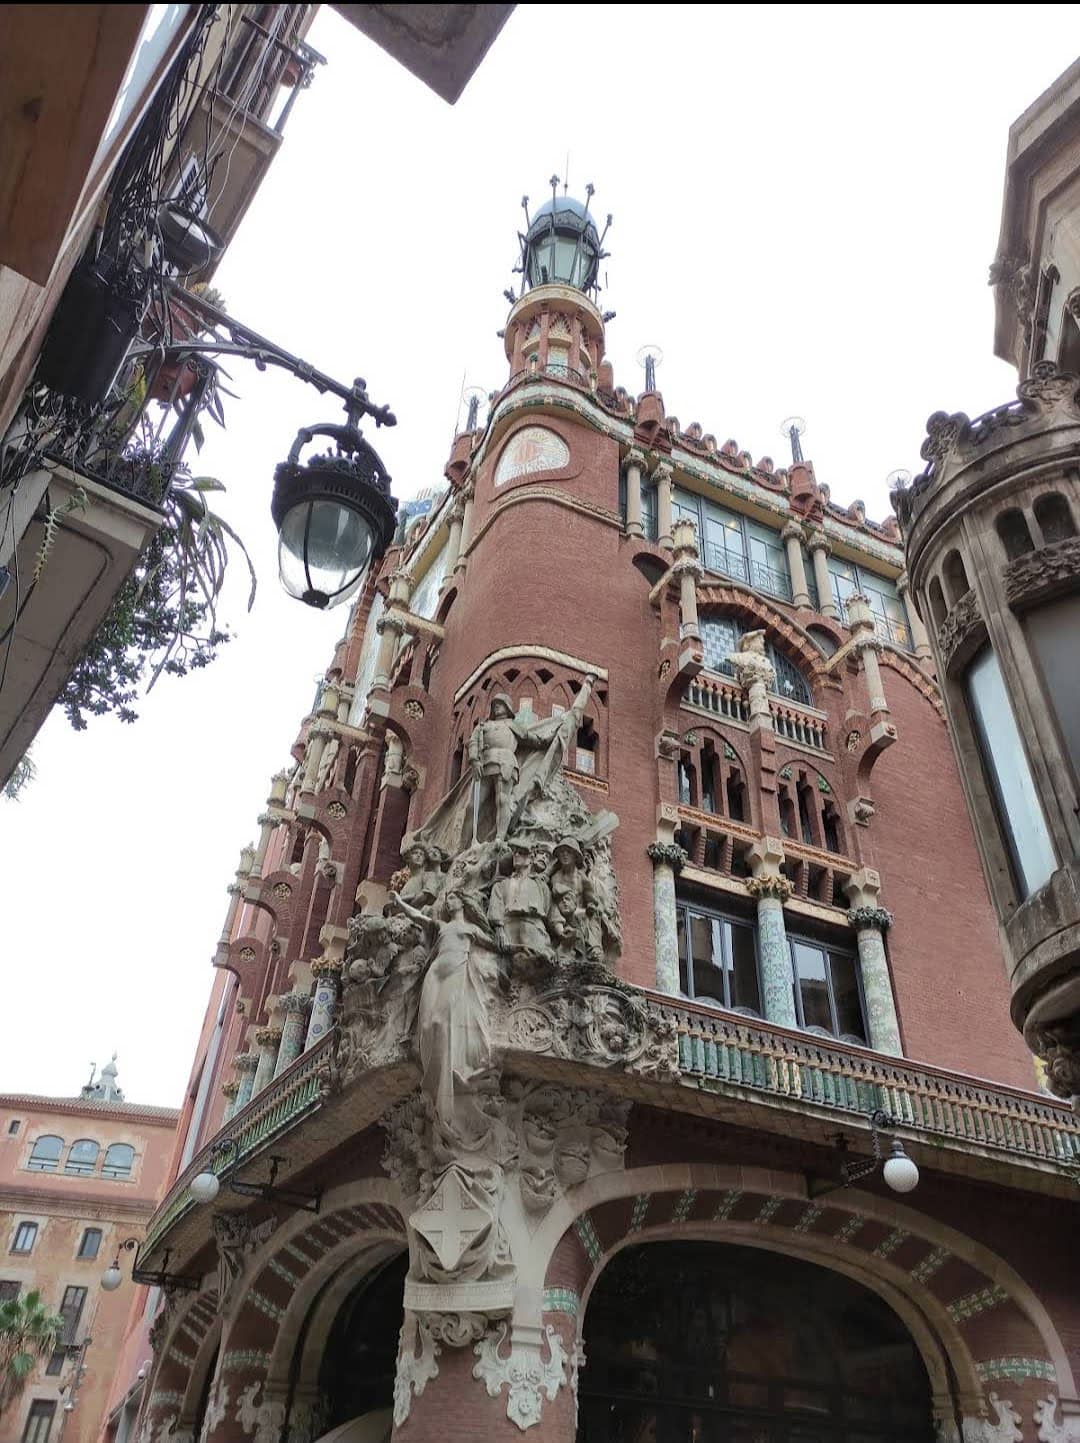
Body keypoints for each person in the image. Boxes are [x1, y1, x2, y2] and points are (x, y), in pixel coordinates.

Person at [388, 888, 498, 1140]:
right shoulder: (442, 926)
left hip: (456, 970)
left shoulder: (471, 929)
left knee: (440, 1020)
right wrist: (400, 902)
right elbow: (419, 918)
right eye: (447, 899)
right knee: (426, 1023)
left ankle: (450, 1075)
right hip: (435, 970)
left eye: (453, 898)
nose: (449, 903)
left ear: (463, 902)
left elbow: (495, 944)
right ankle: (434, 1076)